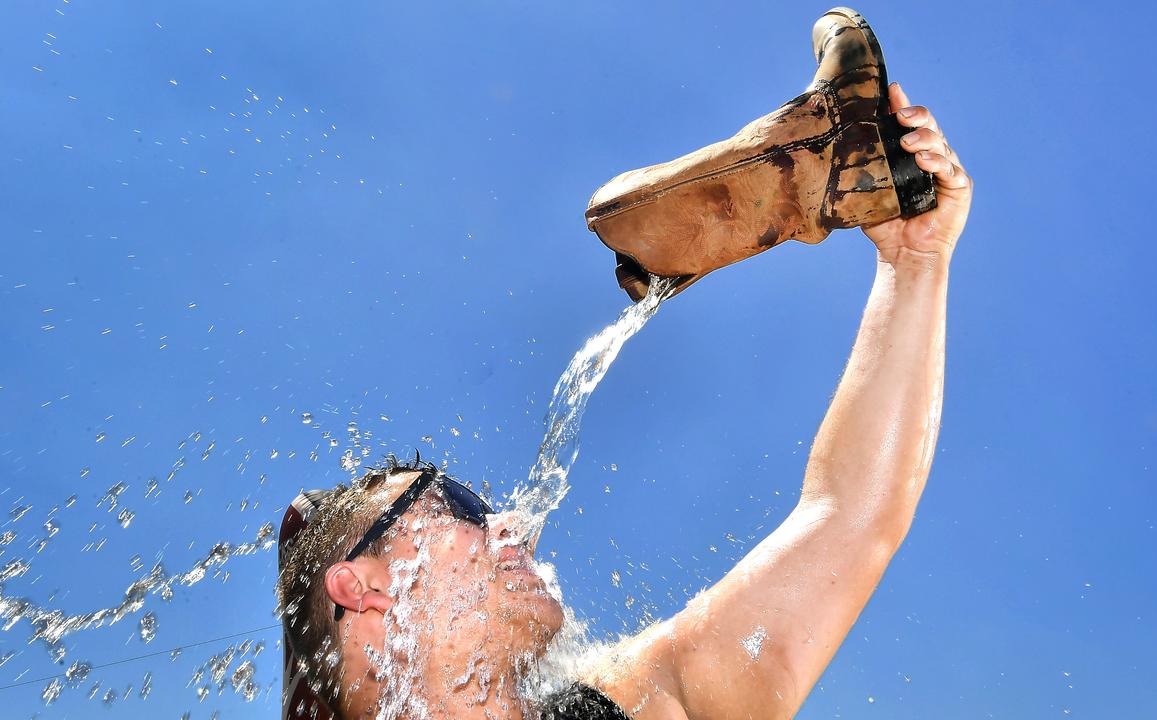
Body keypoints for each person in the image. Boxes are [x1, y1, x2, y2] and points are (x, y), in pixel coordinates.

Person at [276, 81, 972, 720]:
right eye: (457, 502)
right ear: (361, 586)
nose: (509, 523)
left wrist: (916, 260)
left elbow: (847, 519)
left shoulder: (642, 703)